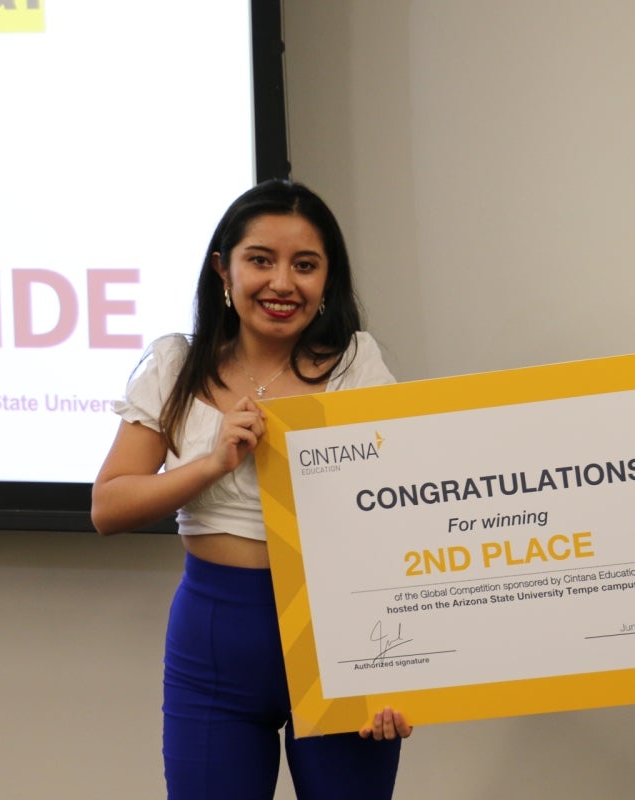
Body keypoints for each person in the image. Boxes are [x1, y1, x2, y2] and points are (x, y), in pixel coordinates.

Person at [92, 179, 410, 799]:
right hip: (214, 642)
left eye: (305, 265)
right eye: (260, 259)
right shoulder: (175, 365)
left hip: (343, 638)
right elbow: (108, 506)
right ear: (224, 269)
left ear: (327, 280)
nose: (282, 283)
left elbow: (401, 521)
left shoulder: (357, 366)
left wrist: (399, 668)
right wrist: (211, 463)